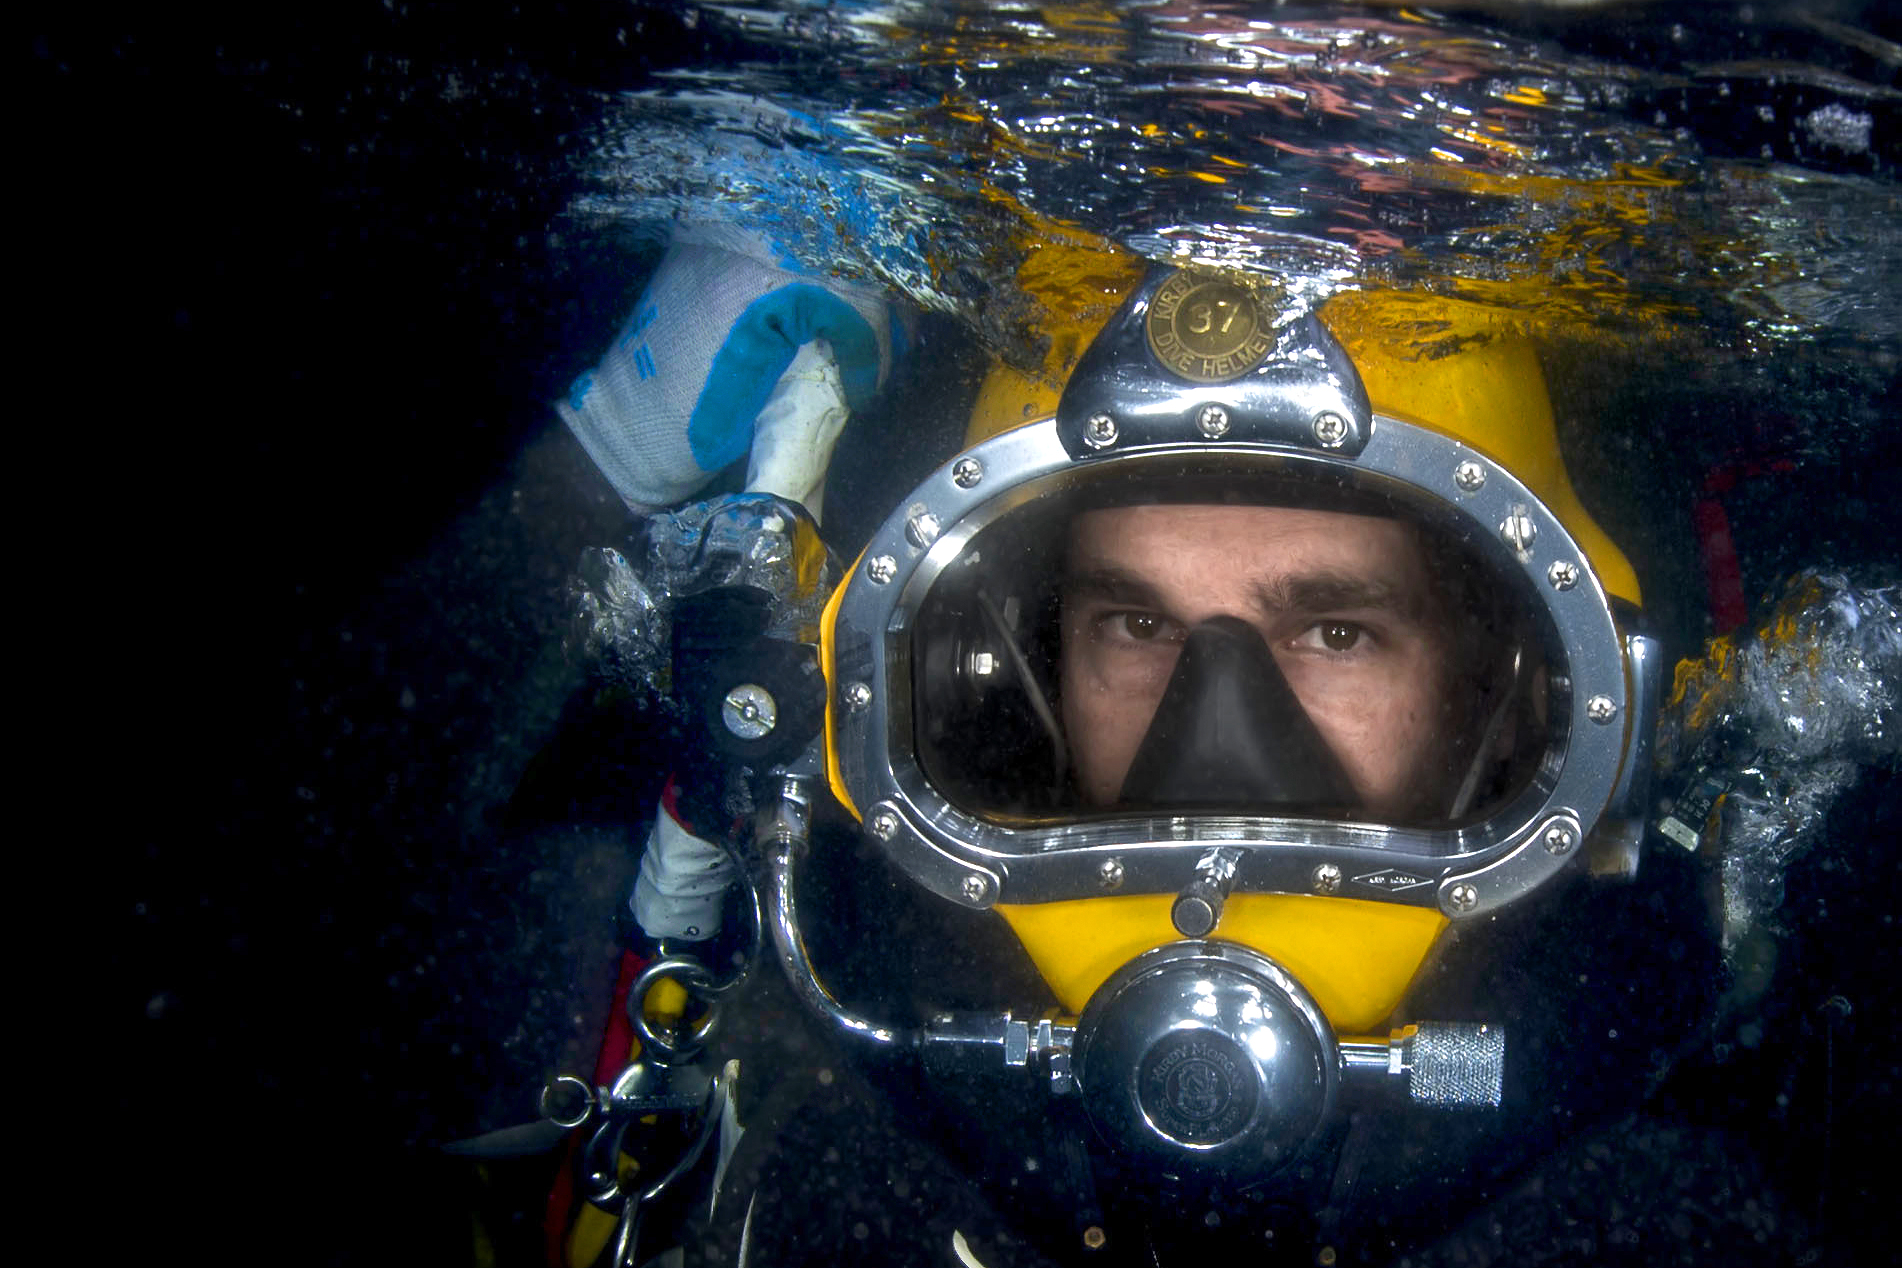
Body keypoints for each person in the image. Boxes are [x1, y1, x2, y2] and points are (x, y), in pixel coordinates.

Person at [544, 231, 1721, 1267]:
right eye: (1140, 622)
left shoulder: (1668, 1212)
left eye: (1334, 628)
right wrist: (585, 472)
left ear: (1516, 695)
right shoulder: (832, 1150)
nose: (1215, 745)